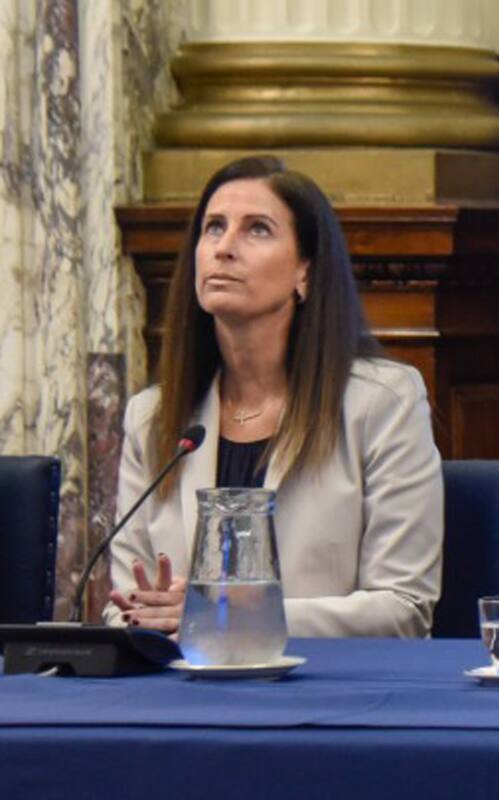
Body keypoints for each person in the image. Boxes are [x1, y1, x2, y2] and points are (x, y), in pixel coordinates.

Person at [103, 155, 443, 638]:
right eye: (213, 227)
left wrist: (230, 616)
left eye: (257, 230)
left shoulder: (382, 403)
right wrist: (144, 618)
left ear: (305, 271)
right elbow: (125, 606)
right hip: (182, 693)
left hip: (324, 692)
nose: (223, 248)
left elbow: (403, 610)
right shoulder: (153, 417)